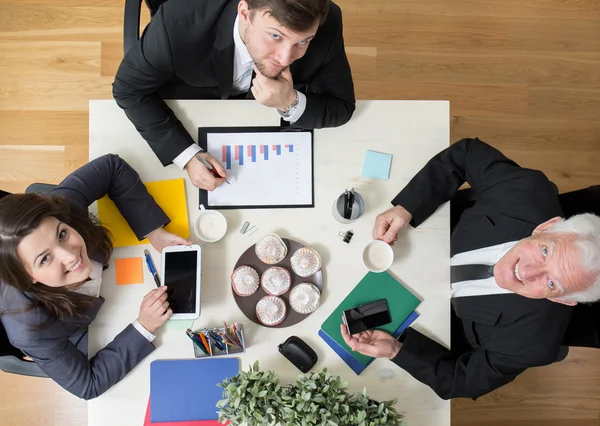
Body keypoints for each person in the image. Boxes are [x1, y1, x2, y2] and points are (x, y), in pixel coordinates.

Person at [341, 138, 600, 400]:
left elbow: (460, 381)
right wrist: (407, 207)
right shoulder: (524, 190)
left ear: (564, 300)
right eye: (545, 251)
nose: (528, 272)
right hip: (430, 236)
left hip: (438, 316)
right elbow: (465, 154)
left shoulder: (531, 345)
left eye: (553, 283)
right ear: (545, 227)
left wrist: (396, 350)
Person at [0, 154, 191, 400]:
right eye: (45, 259)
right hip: (79, 324)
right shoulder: (30, 329)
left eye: (62, 235)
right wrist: (144, 326)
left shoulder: (62, 210)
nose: (70, 256)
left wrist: (154, 232)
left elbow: (112, 167)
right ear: (28, 277)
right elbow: (88, 385)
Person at [113, 0, 355, 191]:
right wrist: (186, 156)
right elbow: (128, 88)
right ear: (244, 12)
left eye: (303, 42)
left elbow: (342, 106)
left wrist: (289, 103)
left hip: (269, 114)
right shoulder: (176, 24)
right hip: (193, 98)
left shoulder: (329, 21)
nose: (284, 58)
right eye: (275, 36)